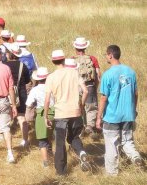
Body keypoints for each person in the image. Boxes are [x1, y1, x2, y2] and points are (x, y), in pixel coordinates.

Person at [96, 45, 144, 176]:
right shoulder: (131, 72)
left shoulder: (107, 74)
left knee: (112, 145)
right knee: (127, 141)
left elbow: (104, 98)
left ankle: (112, 174)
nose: (106, 56)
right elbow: (135, 93)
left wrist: (99, 117)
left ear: (110, 55)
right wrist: (133, 110)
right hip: (128, 114)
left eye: (106, 54)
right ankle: (135, 157)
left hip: (112, 116)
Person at [44, 50, 90, 175]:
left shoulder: (51, 77)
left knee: (60, 143)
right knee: (74, 137)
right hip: (75, 112)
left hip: (60, 114)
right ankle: (81, 152)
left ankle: (61, 172)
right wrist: (81, 105)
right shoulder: (74, 73)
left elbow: (47, 100)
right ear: (64, 60)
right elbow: (85, 91)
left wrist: (45, 116)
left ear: (53, 61)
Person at [73, 37, 101, 136]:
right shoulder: (93, 59)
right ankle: (90, 126)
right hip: (89, 85)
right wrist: (95, 86)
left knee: (79, 107)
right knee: (91, 107)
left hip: (76, 86)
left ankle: (81, 127)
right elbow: (98, 74)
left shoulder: (72, 60)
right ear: (85, 48)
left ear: (76, 48)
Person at [26, 67, 54, 167]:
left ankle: (46, 162)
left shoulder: (35, 90)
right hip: (55, 113)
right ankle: (52, 157)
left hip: (42, 113)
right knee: (51, 137)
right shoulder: (53, 87)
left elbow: (29, 103)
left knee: (43, 139)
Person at [4, 43, 30, 147]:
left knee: (5, 117)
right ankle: (25, 140)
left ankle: (6, 137)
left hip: (7, 94)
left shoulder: (4, 66)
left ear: (9, 54)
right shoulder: (22, 66)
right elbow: (27, 80)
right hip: (21, 94)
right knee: (21, 117)